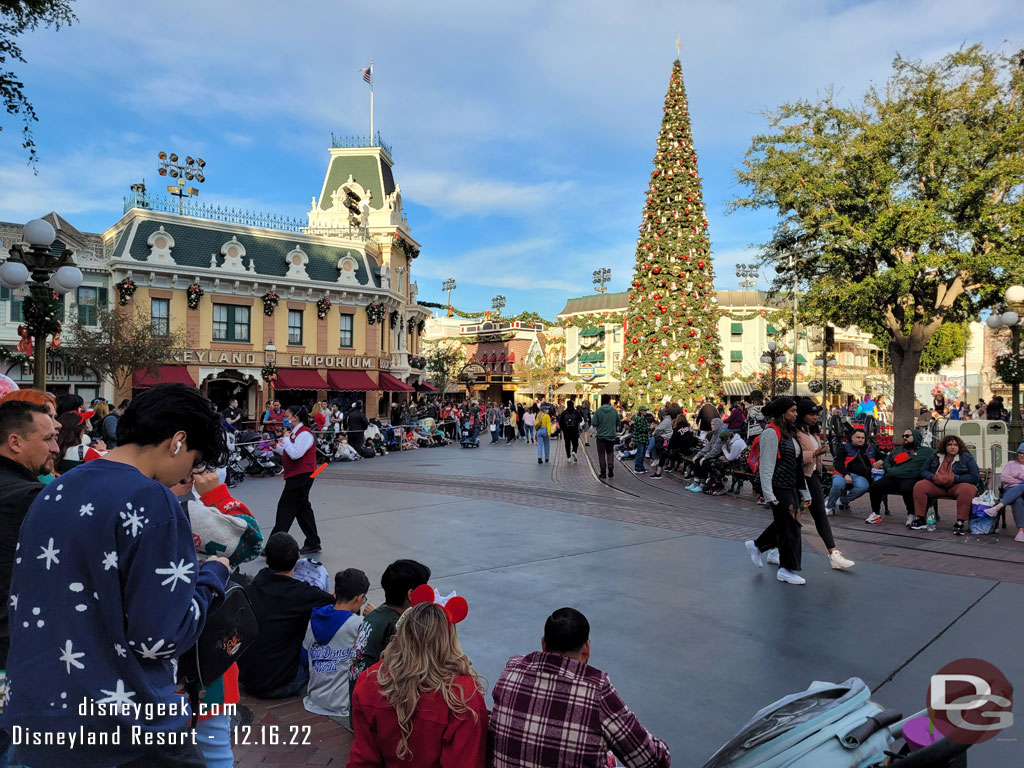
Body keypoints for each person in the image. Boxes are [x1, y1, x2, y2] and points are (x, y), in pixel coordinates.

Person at [3, 383, 231, 767]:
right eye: (192, 461)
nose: (186, 474)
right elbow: (157, 638)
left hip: (37, 720)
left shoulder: (55, 490)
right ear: (177, 441)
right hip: (123, 729)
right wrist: (211, 580)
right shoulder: (151, 499)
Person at [489, 607, 670, 768]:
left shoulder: (511, 671)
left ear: (544, 644)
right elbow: (653, 762)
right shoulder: (597, 692)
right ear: (586, 649)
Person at [348, 592, 488, 768]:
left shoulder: (370, 681)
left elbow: (363, 759)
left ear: (402, 634)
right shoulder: (463, 696)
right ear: (448, 639)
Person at [237, 533, 335, 699]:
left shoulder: (254, 584)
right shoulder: (304, 594)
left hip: (245, 677)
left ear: (266, 559)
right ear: (298, 557)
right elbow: (339, 606)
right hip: (281, 683)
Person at [745, 397, 806, 585]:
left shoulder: (790, 432)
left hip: (791, 485)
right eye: (792, 411)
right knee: (790, 529)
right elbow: (767, 466)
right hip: (779, 486)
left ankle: (757, 546)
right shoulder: (771, 434)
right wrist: (769, 494)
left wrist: (805, 492)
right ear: (782, 413)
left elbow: (797, 465)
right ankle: (786, 570)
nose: (796, 414)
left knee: (786, 524)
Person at [303, 568, 372, 721]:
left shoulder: (314, 618)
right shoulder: (358, 624)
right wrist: (372, 618)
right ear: (359, 598)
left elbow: (304, 655)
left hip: (313, 699)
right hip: (341, 705)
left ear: (335, 593)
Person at [792, 400, 854, 569]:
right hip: (798, 476)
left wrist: (819, 469)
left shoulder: (811, 431)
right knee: (790, 516)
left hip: (811, 476)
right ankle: (766, 546)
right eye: (811, 414)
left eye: (816, 414)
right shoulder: (794, 432)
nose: (814, 417)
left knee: (820, 514)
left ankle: (833, 553)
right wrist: (815, 453)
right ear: (802, 415)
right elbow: (793, 456)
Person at [271, 405, 322, 555]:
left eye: (288, 416)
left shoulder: (305, 434)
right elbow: (289, 452)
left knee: (285, 508)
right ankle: (313, 542)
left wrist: (285, 440)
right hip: (298, 475)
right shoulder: (295, 433)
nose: (286, 419)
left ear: (296, 417)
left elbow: (296, 454)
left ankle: (274, 545)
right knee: (302, 509)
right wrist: (277, 448)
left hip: (301, 476)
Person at [866, 428, 934, 527]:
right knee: (875, 486)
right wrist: (889, 469)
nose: (904, 438)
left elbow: (941, 456)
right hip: (893, 478)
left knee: (907, 488)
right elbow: (887, 461)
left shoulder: (927, 451)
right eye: (903, 436)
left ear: (916, 437)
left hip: (911, 479)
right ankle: (875, 513)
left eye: (907, 436)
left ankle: (911, 514)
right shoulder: (898, 450)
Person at [913, 435, 981, 535]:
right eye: (949, 445)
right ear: (944, 446)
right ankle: (920, 518)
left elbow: (975, 476)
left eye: (955, 445)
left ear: (959, 446)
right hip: (937, 485)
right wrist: (933, 477)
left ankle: (960, 522)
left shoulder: (966, 457)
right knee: (920, 486)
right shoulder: (935, 456)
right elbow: (924, 470)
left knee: (967, 489)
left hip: (956, 486)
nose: (952, 447)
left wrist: (955, 478)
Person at [825, 428, 875, 515]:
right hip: (841, 473)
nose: (860, 439)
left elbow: (883, 456)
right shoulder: (844, 447)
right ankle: (829, 506)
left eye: (862, 438)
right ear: (852, 437)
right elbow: (838, 464)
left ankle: (842, 500)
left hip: (859, 476)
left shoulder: (869, 448)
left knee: (863, 487)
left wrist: (881, 461)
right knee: (837, 485)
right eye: (858, 437)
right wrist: (846, 474)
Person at [984, 444, 1024, 542]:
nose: (1021, 455)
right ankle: (1021, 532)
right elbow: (1004, 478)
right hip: (1010, 491)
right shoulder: (1010, 464)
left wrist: (1015, 476)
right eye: (1020, 453)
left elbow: (1010, 478)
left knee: (1022, 486)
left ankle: (997, 507)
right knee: (1017, 500)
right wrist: (1020, 481)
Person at [686, 417, 724, 492]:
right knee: (697, 460)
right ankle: (696, 482)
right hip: (711, 454)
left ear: (717, 425)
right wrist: (699, 454)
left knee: (704, 462)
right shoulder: (714, 434)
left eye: (713, 425)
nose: (711, 426)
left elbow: (716, 450)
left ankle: (702, 484)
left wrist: (705, 457)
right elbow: (708, 446)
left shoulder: (720, 435)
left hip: (718, 455)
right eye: (711, 424)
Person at [593, 394, 621, 479]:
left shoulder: (598, 411)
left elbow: (593, 423)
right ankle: (610, 465)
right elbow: (618, 422)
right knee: (610, 452)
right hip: (611, 436)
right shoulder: (614, 411)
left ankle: (603, 472)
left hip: (600, 436)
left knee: (601, 454)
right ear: (609, 401)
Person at [648, 408, 674, 479]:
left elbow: (658, 429)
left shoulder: (666, 421)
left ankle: (653, 456)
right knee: (653, 441)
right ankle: (657, 472)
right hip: (664, 439)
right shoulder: (666, 420)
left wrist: (654, 429)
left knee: (654, 442)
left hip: (665, 440)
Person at [632, 405, 651, 474]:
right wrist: (650, 428)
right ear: (641, 411)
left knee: (642, 454)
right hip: (640, 439)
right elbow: (641, 429)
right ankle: (637, 468)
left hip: (643, 438)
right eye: (644, 410)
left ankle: (641, 467)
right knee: (640, 453)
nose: (646, 411)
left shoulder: (642, 419)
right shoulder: (639, 419)